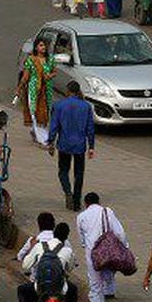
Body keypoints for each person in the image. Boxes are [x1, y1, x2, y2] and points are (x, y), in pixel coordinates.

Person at [77, 193, 128, 302]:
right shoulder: (108, 211)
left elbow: (82, 240)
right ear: (99, 202)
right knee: (110, 270)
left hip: (92, 255)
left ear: (85, 203)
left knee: (95, 287)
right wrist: (124, 247)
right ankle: (110, 292)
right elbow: (120, 233)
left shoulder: (81, 217)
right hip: (109, 252)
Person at [48, 81, 95, 211]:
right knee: (79, 173)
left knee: (63, 170)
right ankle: (76, 201)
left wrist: (51, 142)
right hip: (80, 145)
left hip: (64, 144)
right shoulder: (86, 106)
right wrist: (91, 146)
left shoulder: (59, 105)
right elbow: (90, 128)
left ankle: (68, 191)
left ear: (67, 91)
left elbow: (54, 126)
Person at [19, 221, 78, 302]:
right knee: (74, 289)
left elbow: (25, 266)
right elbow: (69, 269)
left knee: (21, 290)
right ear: (66, 237)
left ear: (54, 233)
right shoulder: (68, 251)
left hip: (39, 289)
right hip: (61, 290)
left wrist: (31, 248)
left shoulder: (39, 246)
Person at [19, 38, 55, 145]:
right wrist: (19, 88)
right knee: (33, 110)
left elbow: (54, 72)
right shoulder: (31, 59)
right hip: (34, 88)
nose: (43, 48)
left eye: (44, 46)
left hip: (47, 88)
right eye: (41, 45)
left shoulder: (50, 59)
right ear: (36, 47)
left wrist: (50, 76)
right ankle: (36, 132)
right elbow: (25, 76)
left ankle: (42, 132)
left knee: (45, 110)